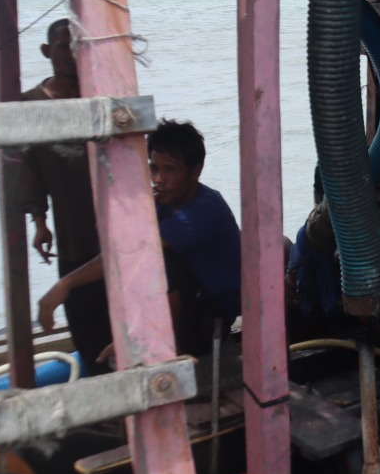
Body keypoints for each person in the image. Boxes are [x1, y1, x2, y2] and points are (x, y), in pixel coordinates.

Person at [37, 120, 242, 360]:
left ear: (195, 171)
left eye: (169, 169)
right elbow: (122, 248)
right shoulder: (163, 203)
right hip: (187, 304)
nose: (158, 179)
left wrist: (65, 284)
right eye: (153, 168)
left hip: (211, 316)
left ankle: (168, 351)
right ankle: (140, 339)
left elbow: (137, 250)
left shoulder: (204, 208)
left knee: (156, 257)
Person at [18, 19, 110, 374]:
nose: (72, 55)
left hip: (114, 232)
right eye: (62, 47)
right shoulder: (31, 103)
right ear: (47, 52)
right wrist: (39, 222)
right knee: (86, 325)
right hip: (72, 232)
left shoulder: (100, 97)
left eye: (79, 47)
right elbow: (28, 168)